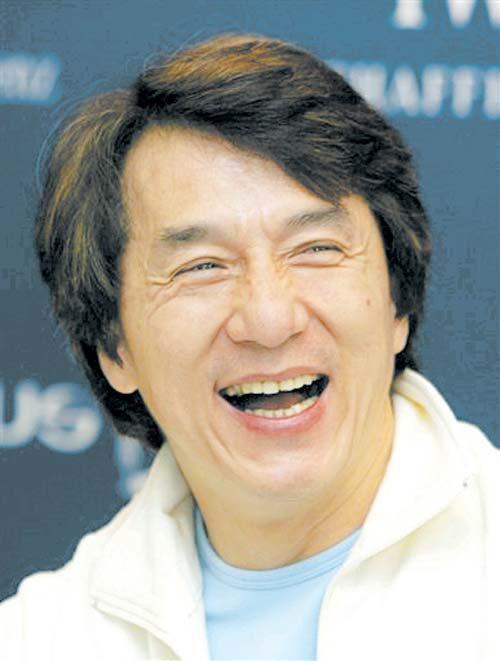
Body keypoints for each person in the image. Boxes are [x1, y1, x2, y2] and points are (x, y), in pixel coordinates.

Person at [0, 33, 498, 661]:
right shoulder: (38, 639)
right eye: (202, 267)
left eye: (315, 249)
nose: (269, 319)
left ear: (397, 304)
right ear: (114, 348)